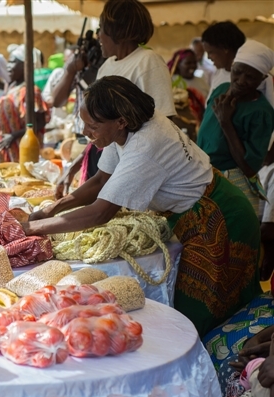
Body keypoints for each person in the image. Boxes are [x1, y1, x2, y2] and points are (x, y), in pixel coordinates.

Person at [24, 75, 262, 337]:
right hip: (197, 211)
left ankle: (217, 366)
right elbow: (101, 179)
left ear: (121, 121)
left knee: (204, 308)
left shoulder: (146, 145)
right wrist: (51, 209)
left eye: (92, 125)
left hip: (224, 217)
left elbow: (101, 212)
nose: (84, 132)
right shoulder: (126, 128)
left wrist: (33, 228)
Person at [54, 0, 176, 197]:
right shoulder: (107, 66)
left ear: (117, 31)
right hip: (105, 162)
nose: (99, 36)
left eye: (101, 29)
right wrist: (75, 166)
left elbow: (165, 125)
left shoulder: (148, 62)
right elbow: (100, 127)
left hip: (128, 168)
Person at [197, 40, 274, 215]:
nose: (241, 81)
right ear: (231, 67)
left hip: (234, 184)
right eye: (238, 72)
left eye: (251, 77)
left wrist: (226, 122)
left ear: (262, 78)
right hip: (203, 178)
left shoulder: (261, 112)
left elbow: (249, 168)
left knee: (235, 239)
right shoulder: (220, 90)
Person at [0, 44, 51, 162]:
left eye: (12, 63)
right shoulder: (12, 87)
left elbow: (39, 122)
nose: (8, 67)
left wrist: (13, 136)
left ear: (25, 66)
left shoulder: (30, 91)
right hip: (8, 149)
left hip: (22, 149)